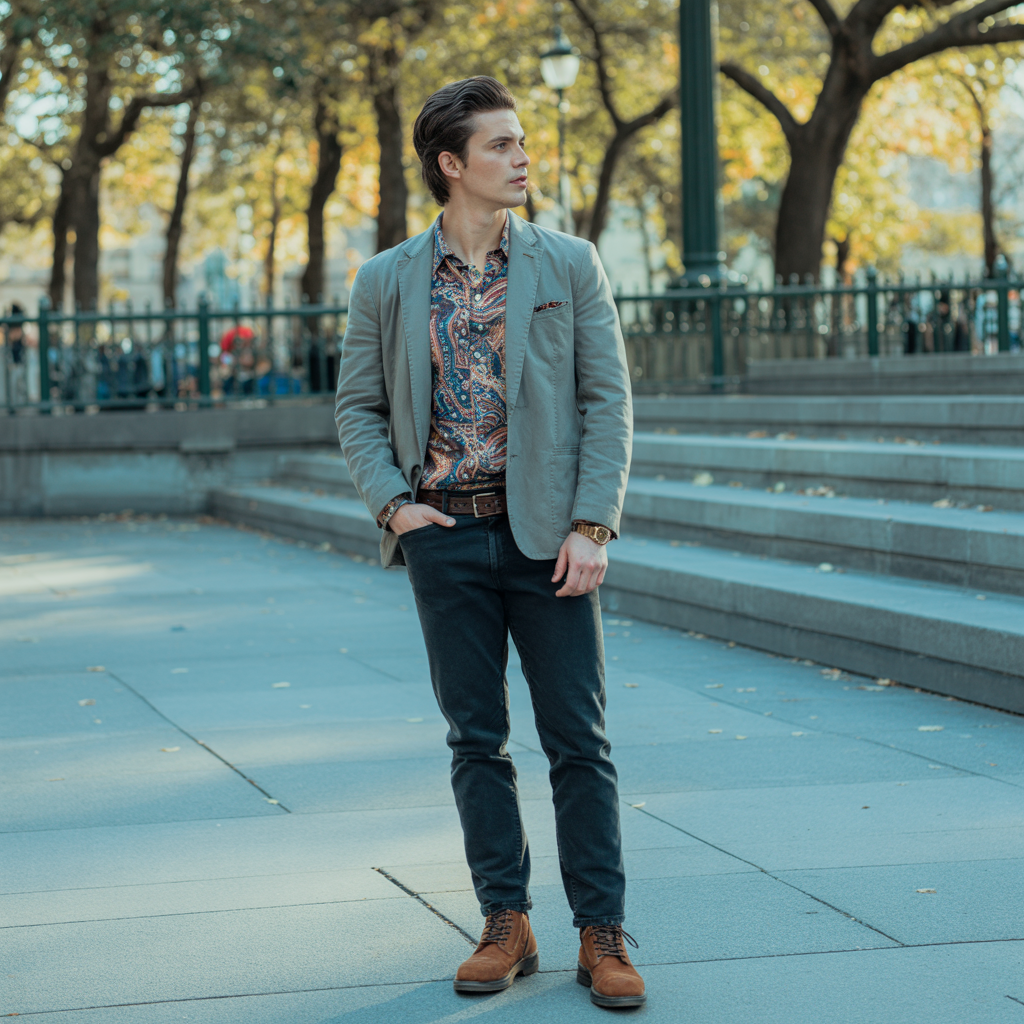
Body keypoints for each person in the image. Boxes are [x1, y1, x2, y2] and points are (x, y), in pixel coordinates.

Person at [335, 77, 642, 1009]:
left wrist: (594, 525)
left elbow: (608, 402)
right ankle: (504, 920)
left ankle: (602, 930)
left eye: (521, 142)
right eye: (502, 145)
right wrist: (395, 508)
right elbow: (357, 407)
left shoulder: (569, 263)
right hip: (446, 537)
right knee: (476, 739)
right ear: (452, 164)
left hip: (551, 540)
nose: (522, 159)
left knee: (577, 740)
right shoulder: (387, 278)